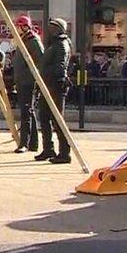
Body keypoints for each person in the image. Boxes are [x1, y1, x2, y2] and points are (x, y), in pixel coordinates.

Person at [36, 17, 73, 164]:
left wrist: (45, 73)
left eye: (52, 27)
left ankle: (64, 152)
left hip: (56, 86)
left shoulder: (62, 45)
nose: (49, 30)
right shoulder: (52, 45)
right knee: (44, 117)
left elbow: (60, 67)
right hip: (47, 85)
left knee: (58, 120)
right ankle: (48, 149)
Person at [11, 15, 43, 153]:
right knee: (28, 111)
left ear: (23, 27)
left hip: (28, 81)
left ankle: (24, 142)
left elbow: (41, 60)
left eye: (18, 27)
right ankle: (33, 143)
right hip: (22, 80)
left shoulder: (32, 41)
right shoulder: (22, 40)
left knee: (26, 112)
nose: (16, 30)